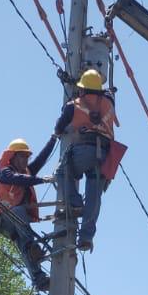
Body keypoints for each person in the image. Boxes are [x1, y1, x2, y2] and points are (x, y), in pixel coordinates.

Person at [53, 67, 119, 252]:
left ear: (81, 89)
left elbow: (59, 126)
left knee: (63, 172)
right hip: (106, 156)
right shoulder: (109, 104)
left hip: (84, 149)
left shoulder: (73, 104)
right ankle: (86, 237)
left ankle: (74, 203)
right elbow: (107, 96)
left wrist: (59, 132)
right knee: (94, 197)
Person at [0, 136, 56, 290]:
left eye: (27, 157)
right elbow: (18, 179)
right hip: (3, 220)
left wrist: (54, 138)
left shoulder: (26, 172)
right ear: (13, 157)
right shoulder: (5, 172)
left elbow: (41, 159)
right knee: (19, 214)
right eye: (23, 156)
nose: (26, 160)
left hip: (17, 223)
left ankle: (39, 279)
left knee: (24, 247)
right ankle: (32, 246)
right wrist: (42, 180)